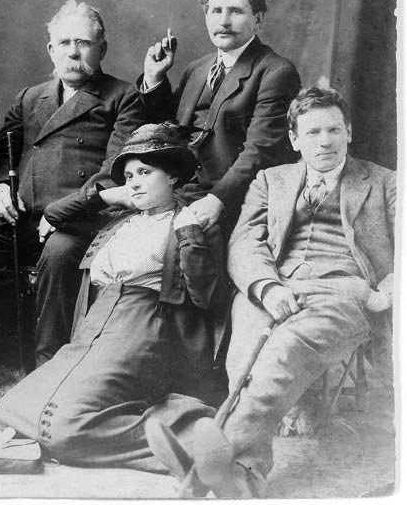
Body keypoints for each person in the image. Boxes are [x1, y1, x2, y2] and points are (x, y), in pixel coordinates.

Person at [145, 87, 395, 497]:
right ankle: (235, 473)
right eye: (312, 132)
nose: (325, 140)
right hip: (272, 286)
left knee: (282, 350)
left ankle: (220, 466)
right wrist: (266, 287)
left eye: (334, 130)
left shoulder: (385, 183)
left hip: (342, 290)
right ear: (295, 139)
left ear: (349, 132)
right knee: (244, 351)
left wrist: (383, 293)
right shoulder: (270, 180)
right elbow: (246, 242)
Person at [0, 123, 230, 468]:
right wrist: (107, 195)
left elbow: (208, 299)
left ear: (174, 176)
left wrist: (189, 235)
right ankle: (162, 425)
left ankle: (192, 427)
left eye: (145, 172)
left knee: (64, 429)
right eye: (129, 174)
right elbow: (54, 215)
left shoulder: (193, 223)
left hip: (145, 329)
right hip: (92, 329)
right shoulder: (119, 221)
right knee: (5, 413)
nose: (133, 181)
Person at [0, 0, 149, 365]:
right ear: (51, 50)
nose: (73, 52)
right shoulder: (29, 97)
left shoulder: (122, 97)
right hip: (23, 214)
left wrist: (64, 211)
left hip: (83, 216)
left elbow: (115, 171)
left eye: (83, 43)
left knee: (58, 255)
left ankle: (46, 366)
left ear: (101, 49)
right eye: (65, 43)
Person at [139, 0, 301, 234]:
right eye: (216, 11)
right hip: (181, 192)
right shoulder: (197, 69)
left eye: (236, 11)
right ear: (206, 18)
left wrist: (217, 200)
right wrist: (154, 77)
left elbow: (260, 151)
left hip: (235, 200)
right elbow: (168, 131)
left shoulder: (276, 71)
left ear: (257, 19)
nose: (223, 21)